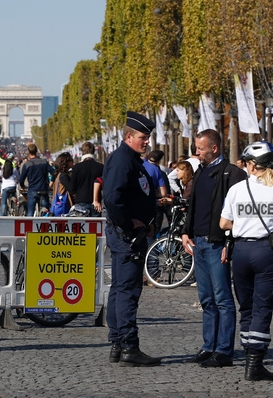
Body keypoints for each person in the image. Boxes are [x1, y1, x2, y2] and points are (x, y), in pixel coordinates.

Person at [220, 141, 273, 381]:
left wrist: (243, 223)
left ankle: (248, 356)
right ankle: (255, 363)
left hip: (241, 251)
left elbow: (224, 224)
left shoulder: (237, 189)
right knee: (263, 307)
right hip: (266, 252)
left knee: (247, 307)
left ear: (252, 165)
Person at [181, 129, 246, 367]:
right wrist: (186, 231)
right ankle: (209, 346)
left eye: (200, 148)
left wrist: (229, 243)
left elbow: (238, 214)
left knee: (223, 299)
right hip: (198, 242)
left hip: (217, 243)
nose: (196, 152)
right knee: (206, 299)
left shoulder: (233, 174)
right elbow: (193, 206)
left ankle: (224, 350)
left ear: (214, 148)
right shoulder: (200, 171)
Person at [104, 111, 161, 367]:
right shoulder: (122, 161)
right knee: (127, 291)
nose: (147, 141)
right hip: (127, 235)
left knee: (119, 289)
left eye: (148, 137)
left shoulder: (129, 159)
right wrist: (129, 224)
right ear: (128, 136)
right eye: (143, 137)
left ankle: (118, 343)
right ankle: (128, 345)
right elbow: (113, 199)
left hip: (127, 234)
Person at [69, 142, 103, 217]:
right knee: (95, 227)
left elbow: (72, 188)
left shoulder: (76, 168)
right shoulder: (101, 167)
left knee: (82, 228)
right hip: (96, 202)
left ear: (82, 152)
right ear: (94, 151)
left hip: (81, 200)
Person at [19, 143, 53, 216]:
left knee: (30, 213)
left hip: (32, 190)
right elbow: (54, 172)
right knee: (46, 213)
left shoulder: (27, 164)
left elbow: (21, 179)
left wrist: (23, 187)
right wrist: (51, 182)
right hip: (43, 190)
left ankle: (29, 226)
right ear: (36, 151)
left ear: (28, 152)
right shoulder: (44, 162)